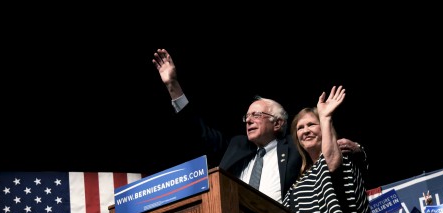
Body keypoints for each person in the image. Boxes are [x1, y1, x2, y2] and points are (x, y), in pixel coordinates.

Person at [151, 48, 364, 202]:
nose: (249, 120)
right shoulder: (236, 145)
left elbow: (328, 158)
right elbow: (197, 130)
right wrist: (173, 86)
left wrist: (356, 150)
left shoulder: (294, 146)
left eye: (257, 115)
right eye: (247, 116)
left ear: (278, 123)